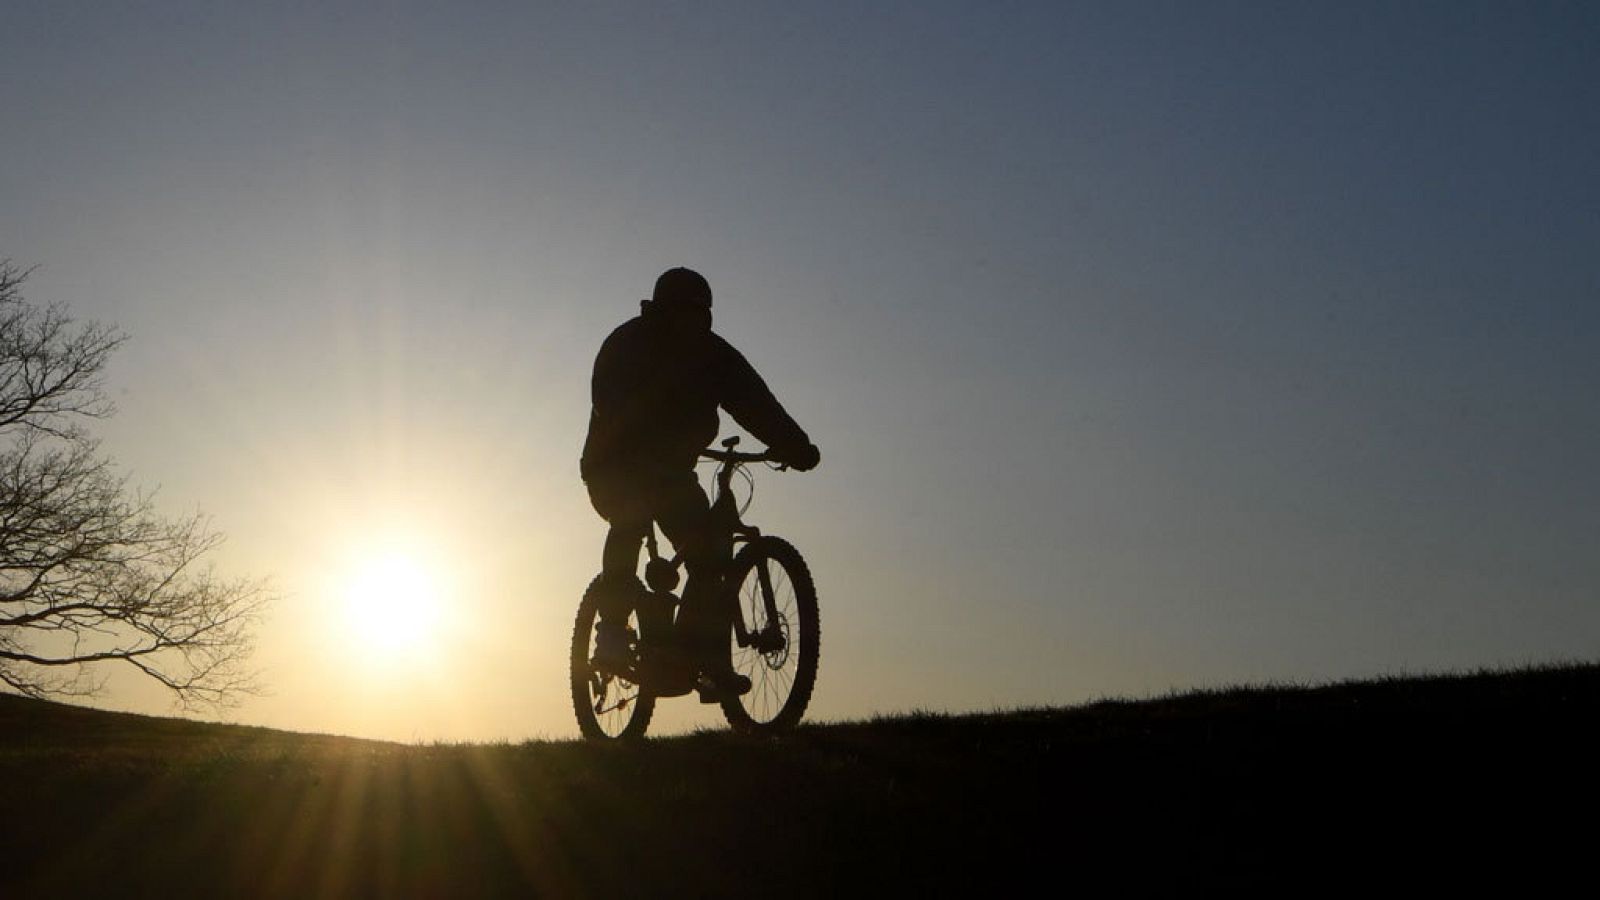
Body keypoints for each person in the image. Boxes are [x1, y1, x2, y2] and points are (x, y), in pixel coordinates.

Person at [581, 267, 820, 701]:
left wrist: (794, 444)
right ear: (664, 310)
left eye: (701, 314)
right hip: (615, 466)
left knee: (709, 555)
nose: (694, 321)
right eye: (685, 311)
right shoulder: (627, 344)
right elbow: (608, 404)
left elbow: (754, 402)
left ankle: (698, 657)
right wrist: (647, 442)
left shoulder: (714, 356)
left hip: (672, 474)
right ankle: (612, 633)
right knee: (630, 518)